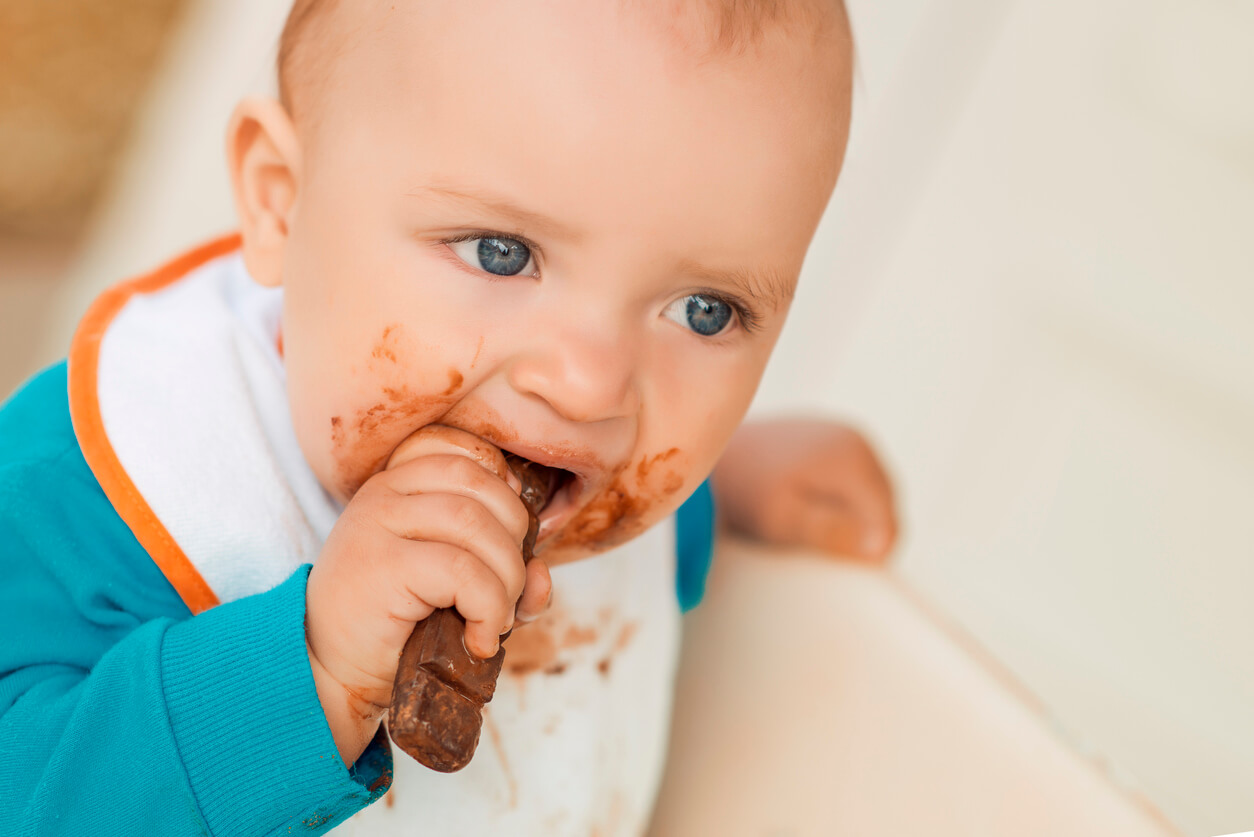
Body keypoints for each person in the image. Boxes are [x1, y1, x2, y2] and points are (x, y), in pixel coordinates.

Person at [0, 0, 896, 833]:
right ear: (281, 197)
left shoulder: (579, 484)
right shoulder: (112, 476)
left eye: (705, 311)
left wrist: (727, 485)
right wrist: (310, 670)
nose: (588, 388)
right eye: (501, 254)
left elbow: (637, 555)